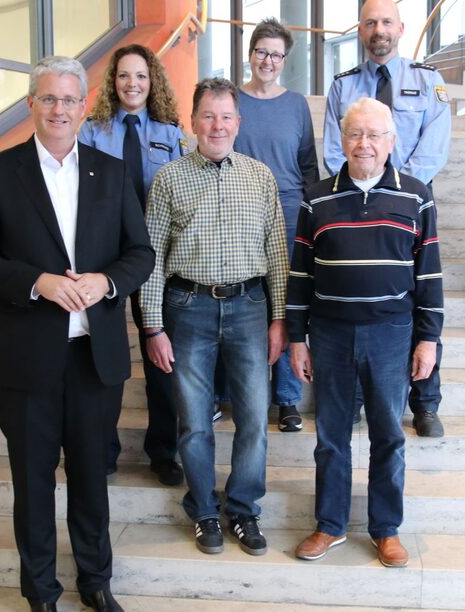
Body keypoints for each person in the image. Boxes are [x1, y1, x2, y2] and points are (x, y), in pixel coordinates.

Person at [0, 55, 154, 612]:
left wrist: (106, 282)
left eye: (69, 99)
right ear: (31, 106)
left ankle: (95, 581)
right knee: (34, 482)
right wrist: (37, 282)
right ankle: (40, 590)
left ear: (84, 106)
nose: (59, 108)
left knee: (92, 477)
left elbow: (140, 253)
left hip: (95, 358)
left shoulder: (110, 173)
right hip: (26, 360)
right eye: (49, 98)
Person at [288, 97, 443, 568]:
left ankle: (386, 529)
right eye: (356, 134)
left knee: (388, 436)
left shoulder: (416, 196)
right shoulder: (316, 199)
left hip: (391, 334)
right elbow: (300, 274)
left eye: (375, 135)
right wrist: (297, 337)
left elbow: (429, 274)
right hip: (331, 334)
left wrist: (428, 338)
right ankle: (330, 525)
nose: (365, 144)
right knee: (331, 434)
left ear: (391, 141)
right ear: (342, 137)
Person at [141, 77, 288, 557]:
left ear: (238, 124)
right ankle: (205, 510)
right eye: (208, 115)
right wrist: (152, 326)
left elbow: (277, 253)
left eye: (226, 116)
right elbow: (151, 258)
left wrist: (279, 319)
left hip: (249, 307)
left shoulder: (261, 177)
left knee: (252, 419)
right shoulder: (168, 179)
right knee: (195, 423)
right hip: (188, 310)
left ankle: (243, 509)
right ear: (192, 121)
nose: (217, 125)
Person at [323, 0, 449, 437]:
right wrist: (367, 182)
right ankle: (357, 395)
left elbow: (434, 146)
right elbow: (334, 148)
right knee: (363, 296)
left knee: (416, 295)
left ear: (401, 28)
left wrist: (396, 189)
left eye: (387, 22)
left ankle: (426, 402)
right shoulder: (342, 86)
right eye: (371, 22)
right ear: (361, 30)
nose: (379, 29)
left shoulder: (427, 81)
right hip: (352, 204)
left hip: (409, 207)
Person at [77, 43, 187, 486]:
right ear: (113, 81)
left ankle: (163, 451)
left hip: (155, 257)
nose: (132, 84)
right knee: (102, 357)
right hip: (104, 256)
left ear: (152, 80)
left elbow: (182, 194)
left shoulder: (169, 131)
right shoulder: (92, 132)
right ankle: (101, 450)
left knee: (161, 356)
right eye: (124, 75)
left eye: (141, 76)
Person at [234, 17, 319, 433]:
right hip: (240, 211)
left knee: (286, 305)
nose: (268, 60)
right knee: (244, 303)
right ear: (251, 54)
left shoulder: (297, 104)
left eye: (276, 54)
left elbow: (308, 167)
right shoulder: (231, 100)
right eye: (262, 51)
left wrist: (310, 215)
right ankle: (235, 391)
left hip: (288, 214)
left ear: (285, 60)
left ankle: (287, 398)